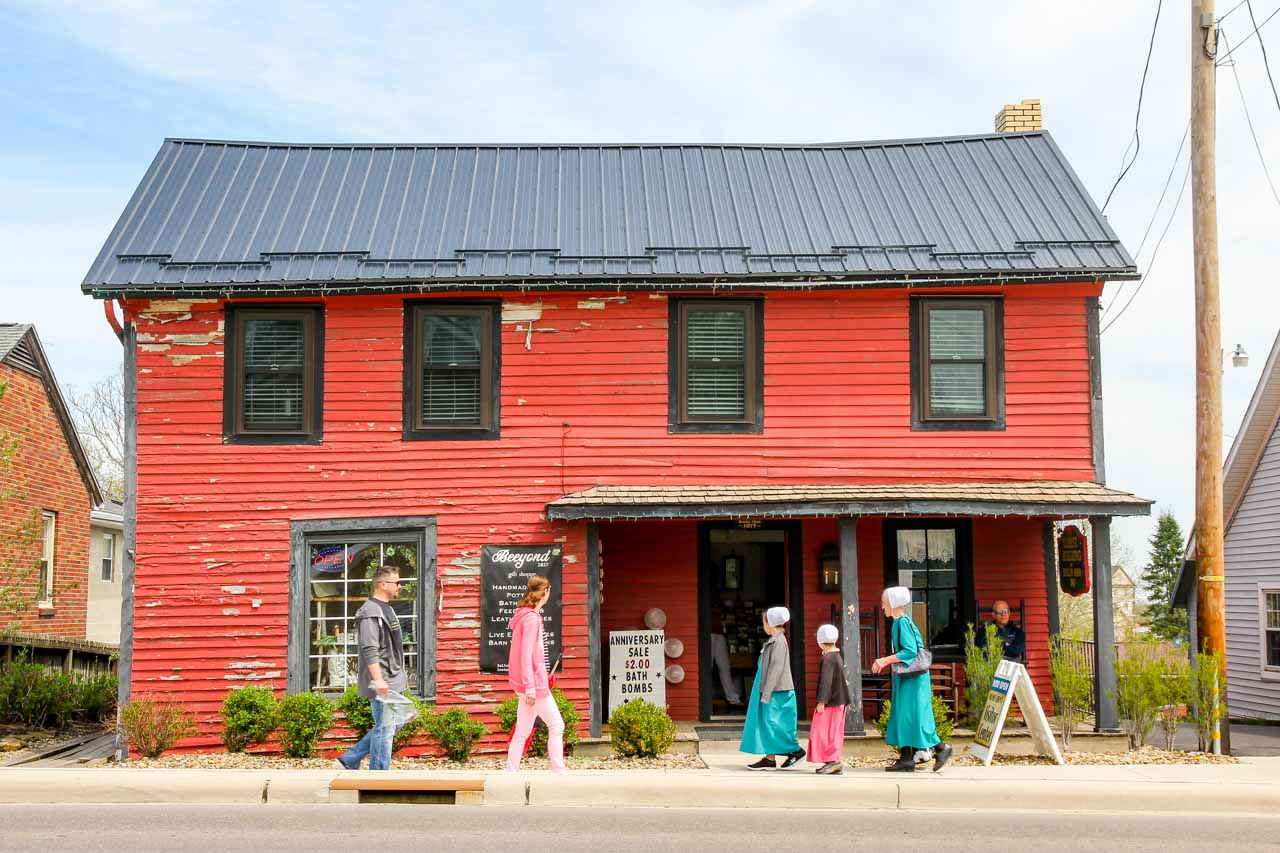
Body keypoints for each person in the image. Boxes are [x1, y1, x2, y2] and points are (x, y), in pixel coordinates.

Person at [869, 587, 952, 773]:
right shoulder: (902, 622)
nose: (882, 607)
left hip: (912, 679)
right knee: (905, 715)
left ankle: (941, 748)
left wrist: (884, 660)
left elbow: (910, 651)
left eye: (884, 602)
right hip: (910, 676)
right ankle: (906, 758)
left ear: (893, 603)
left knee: (913, 716)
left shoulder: (901, 623)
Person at [336, 565, 409, 770]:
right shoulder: (370, 612)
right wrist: (378, 680)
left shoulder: (388, 608)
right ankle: (378, 775)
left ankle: (351, 759)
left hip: (393, 677)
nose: (400, 587)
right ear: (382, 584)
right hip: (383, 677)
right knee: (385, 728)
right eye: (396, 583)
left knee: (399, 719)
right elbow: (370, 648)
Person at [505, 575, 566, 774]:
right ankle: (558, 770)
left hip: (525, 685)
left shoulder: (523, 615)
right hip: (534, 687)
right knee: (557, 725)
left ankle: (511, 770)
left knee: (522, 730)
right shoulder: (531, 619)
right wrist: (531, 687)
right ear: (545, 593)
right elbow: (526, 655)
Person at [741, 606, 805, 770]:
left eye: (763, 622)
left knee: (775, 723)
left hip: (777, 691)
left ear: (769, 624)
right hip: (772, 690)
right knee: (768, 723)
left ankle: (795, 751)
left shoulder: (778, 642)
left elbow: (776, 669)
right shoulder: (775, 641)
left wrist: (767, 693)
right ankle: (770, 758)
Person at [807, 623, 850, 775]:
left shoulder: (827, 659)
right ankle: (832, 761)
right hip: (839, 700)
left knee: (824, 731)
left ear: (820, 641)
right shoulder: (836, 656)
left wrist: (821, 702)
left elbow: (826, 681)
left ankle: (832, 761)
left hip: (831, 702)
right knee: (834, 731)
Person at [709, 596, 743, 707]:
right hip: (708, 635)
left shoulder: (721, 604)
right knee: (707, 667)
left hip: (720, 635)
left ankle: (733, 698)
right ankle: (704, 699)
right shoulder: (706, 599)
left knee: (724, 667)